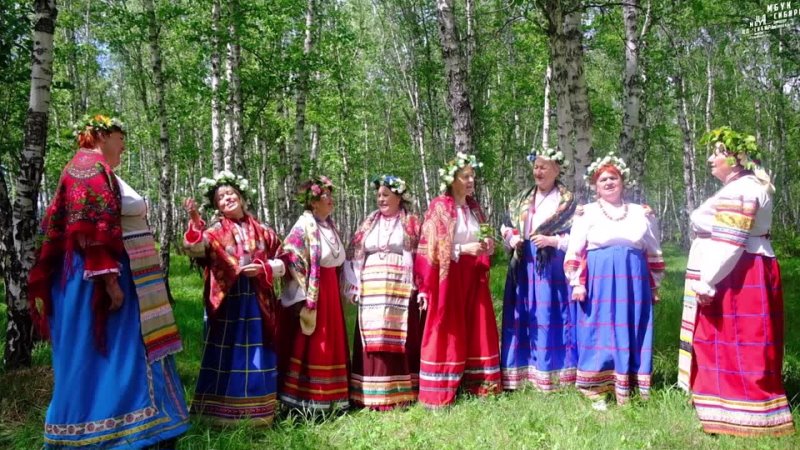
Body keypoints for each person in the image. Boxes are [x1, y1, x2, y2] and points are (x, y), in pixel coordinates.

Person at [28, 114, 188, 448]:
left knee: (120, 354)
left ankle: (142, 428)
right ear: (101, 135)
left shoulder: (98, 168)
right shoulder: (87, 166)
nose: (124, 146)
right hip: (98, 281)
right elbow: (90, 228)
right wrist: (109, 281)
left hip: (118, 276)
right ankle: (115, 433)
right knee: (111, 356)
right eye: (120, 138)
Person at [677, 127, 794, 436]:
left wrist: (708, 281)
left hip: (737, 272)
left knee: (739, 339)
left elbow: (732, 241)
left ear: (735, 159)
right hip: (744, 265)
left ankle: (743, 410)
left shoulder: (741, 189)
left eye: (716, 153)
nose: (710, 159)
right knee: (740, 339)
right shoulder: (746, 185)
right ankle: (727, 404)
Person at [182, 171, 284, 426]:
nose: (227, 199)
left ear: (241, 197)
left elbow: (284, 258)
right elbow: (195, 248)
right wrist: (194, 221)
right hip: (229, 301)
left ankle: (259, 413)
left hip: (258, 299)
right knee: (228, 351)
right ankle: (220, 414)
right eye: (220, 197)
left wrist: (265, 268)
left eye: (230, 194)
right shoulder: (215, 232)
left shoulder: (262, 230)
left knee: (257, 350)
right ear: (217, 206)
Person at [563, 153, 664, 405]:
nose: (608, 183)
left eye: (613, 178)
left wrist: (655, 283)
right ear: (595, 186)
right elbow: (575, 248)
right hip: (600, 278)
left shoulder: (641, 212)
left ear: (622, 182)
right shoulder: (586, 213)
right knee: (598, 327)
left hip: (633, 278)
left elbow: (653, 248)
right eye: (603, 180)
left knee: (632, 325)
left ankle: (630, 385)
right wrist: (576, 281)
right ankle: (595, 389)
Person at [414, 152, 501, 408]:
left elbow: (482, 236)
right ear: (453, 180)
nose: (471, 180)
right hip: (449, 277)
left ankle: (481, 383)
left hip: (474, 275)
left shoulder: (474, 208)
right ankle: (440, 389)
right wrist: (463, 250)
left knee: (478, 325)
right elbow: (432, 246)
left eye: (472, 176)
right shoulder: (440, 206)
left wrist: (488, 245)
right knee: (449, 327)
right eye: (466, 176)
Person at [342, 175, 422, 410]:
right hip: (372, 286)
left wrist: (420, 285)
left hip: (400, 286)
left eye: (385, 195)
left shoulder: (411, 222)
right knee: (373, 335)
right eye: (378, 195)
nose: (381, 199)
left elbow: (421, 255)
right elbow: (354, 253)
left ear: (398, 197)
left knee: (397, 334)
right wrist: (354, 284)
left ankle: (400, 392)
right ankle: (368, 393)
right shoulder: (369, 222)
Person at [500, 148, 577, 391]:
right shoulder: (521, 199)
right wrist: (512, 238)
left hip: (552, 265)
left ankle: (553, 372)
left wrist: (552, 240)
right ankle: (520, 372)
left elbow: (578, 236)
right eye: (536, 167)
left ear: (557, 170)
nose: (538, 172)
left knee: (550, 314)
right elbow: (507, 226)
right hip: (524, 262)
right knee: (524, 312)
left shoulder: (567, 202)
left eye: (544, 167)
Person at [278, 176, 350, 412]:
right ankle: (309, 398)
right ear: (313, 202)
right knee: (315, 338)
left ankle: (334, 397)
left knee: (332, 338)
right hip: (316, 290)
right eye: (325, 196)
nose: (331, 200)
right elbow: (291, 252)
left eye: (331, 195)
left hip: (331, 289)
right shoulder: (304, 225)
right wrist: (304, 288)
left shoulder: (329, 225)